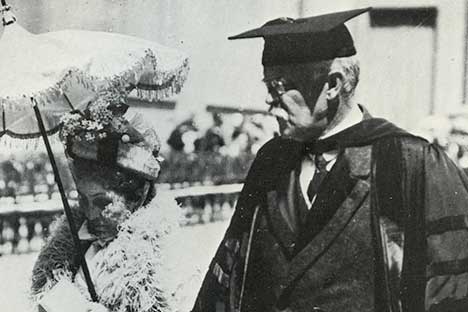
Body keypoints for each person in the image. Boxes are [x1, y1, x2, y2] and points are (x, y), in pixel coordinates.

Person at [192, 7, 468, 312]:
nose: (270, 102)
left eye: (280, 87)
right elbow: (228, 276)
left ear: (333, 85)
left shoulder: (410, 162)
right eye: (268, 87)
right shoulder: (271, 162)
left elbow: (451, 291)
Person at [30, 93, 185, 312]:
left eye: (103, 202)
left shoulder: (160, 256)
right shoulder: (70, 247)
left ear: (136, 196)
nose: (91, 214)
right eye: (83, 199)